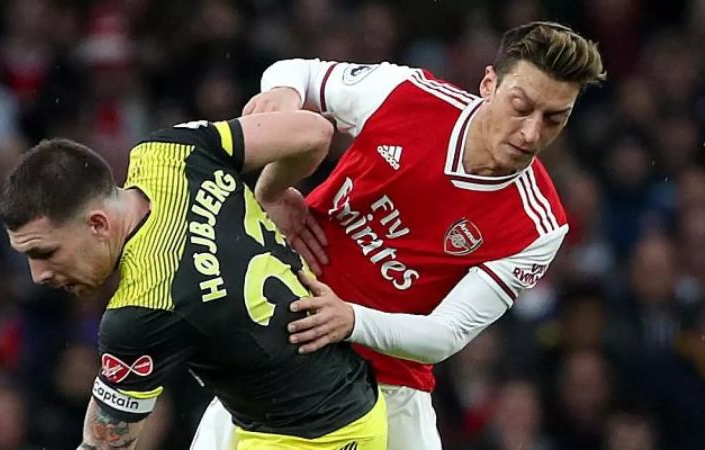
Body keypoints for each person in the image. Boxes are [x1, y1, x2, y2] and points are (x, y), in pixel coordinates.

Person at [193, 21, 606, 450]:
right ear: (489, 84)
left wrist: (351, 319)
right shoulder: (409, 96)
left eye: (555, 119)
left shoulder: (539, 224)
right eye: (521, 106)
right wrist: (272, 186)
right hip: (284, 338)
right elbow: (298, 73)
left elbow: (445, 334)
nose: (531, 133)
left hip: (388, 383)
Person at [0, 111, 387, 449]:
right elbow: (314, 131)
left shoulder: (142, 308)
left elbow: (104, 446)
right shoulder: (167, 150)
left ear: (98, 224)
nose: (39, 275)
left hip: (319, 435)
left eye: (44, 253)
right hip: (315, 403)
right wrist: (269, 192)